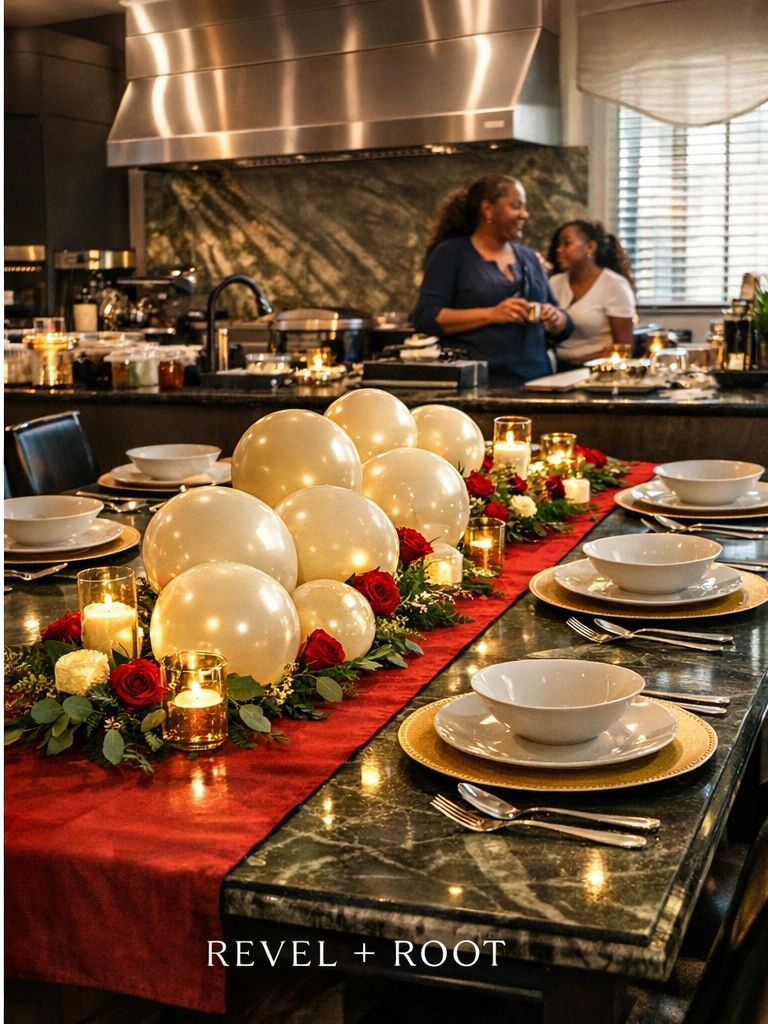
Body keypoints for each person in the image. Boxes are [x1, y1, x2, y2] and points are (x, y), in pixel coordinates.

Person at [411, 174, 572, 382]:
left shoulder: (529, 258)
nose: (525, 214)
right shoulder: (451, 254)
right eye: (516, 206)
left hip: (536, 383)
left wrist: (558, 319)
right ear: (487, 209)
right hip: (477, 385)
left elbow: (564, 324)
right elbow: (426, 318)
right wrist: (491, 314)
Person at [546, 220, 636, 368]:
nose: (559, 250)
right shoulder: (554, 283)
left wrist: (579, 361)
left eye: (567, 243)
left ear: (590, 247)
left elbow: (624, 348)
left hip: (598, 370)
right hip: (556, 369)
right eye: (558, 244)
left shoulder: (614, 285)